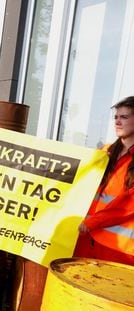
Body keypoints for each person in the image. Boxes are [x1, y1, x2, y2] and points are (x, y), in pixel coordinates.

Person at [74, 96, 134, 266]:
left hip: (117, 250)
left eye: (124, 117)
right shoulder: (105, 152)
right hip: (86, 239)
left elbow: (128, 206)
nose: (118, 122)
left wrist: (93, 222)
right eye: (116, 117)